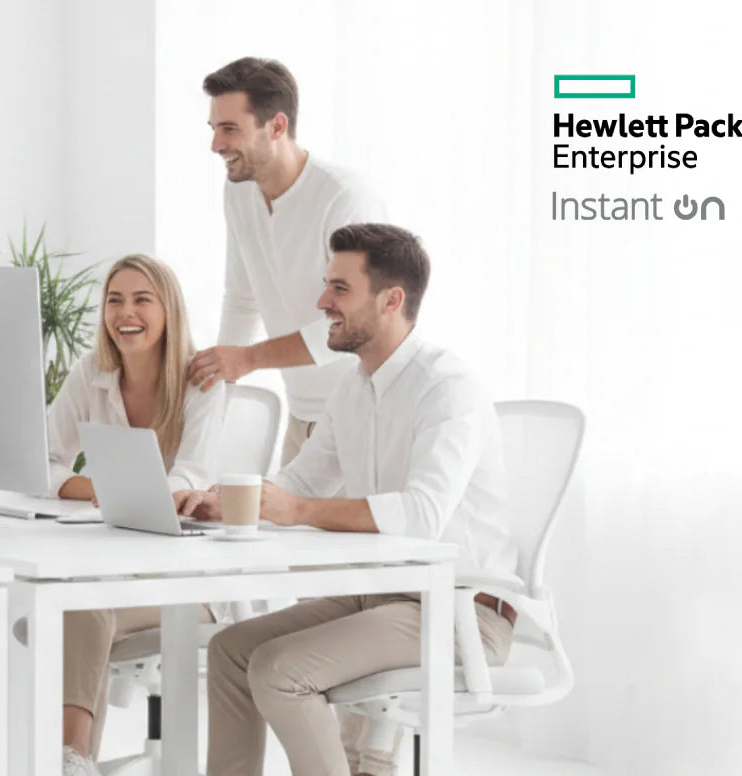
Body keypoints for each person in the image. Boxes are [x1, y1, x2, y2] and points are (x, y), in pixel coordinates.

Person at [175, 224, 518, 776]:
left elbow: (421, 516)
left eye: (339, 289)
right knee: (231, 652)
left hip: (457, 611)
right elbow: (301, 484)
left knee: (280, 671)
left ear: (391, 300)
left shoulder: (448, 389)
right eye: (325, 285)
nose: (320, 303)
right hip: (381, 596)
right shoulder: (353, 388)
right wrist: (225, 502)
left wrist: (297, 511)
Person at [48, 254, 225, 776]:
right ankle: (68, 758)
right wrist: (97, 488)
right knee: (72, 601)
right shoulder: (92, 373)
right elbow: (42, 458)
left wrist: (130, 492)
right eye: (115, 300)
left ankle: (70, 759)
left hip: (190, 583)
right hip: (114, 568)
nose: (126, 312)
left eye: (142, 299)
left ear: (168, 309)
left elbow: (189, 477)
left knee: (80, 604)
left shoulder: (202, 381)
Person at [186, 57, 385, 471]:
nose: (216, 145)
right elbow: (242, 300)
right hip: (303, 417)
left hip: (365, 418)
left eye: (229, 129)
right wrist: (220, 382)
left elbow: (352, 323)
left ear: (276, 126)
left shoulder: (343, 197)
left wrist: (248, 359)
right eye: (213, 129)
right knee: (286, 533)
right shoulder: (238, 192)